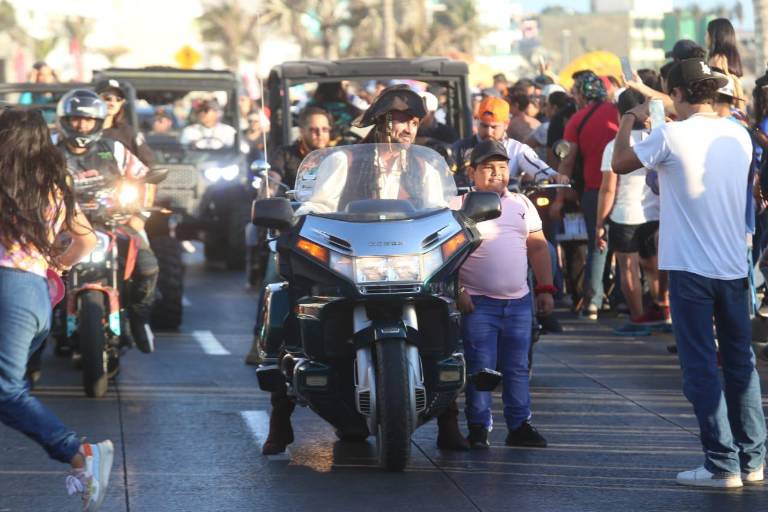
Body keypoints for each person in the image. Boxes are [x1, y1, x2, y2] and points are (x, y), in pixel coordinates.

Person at [261, 85, 471, 454]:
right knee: (293, 303)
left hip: (409, 260)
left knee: (448, 308)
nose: (407, 128)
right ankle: (280, 415)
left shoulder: (425, 163)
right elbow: (317, 206)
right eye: (400, 119)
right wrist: (294, 223)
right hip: (352, 257)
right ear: (380, 120)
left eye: (414, 120)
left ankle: (449, 419)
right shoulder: (343, 160)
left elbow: (442, 209)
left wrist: (463, 224)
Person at [612, 58, 766, 488]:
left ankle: (721, 464)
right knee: (741, 363)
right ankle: (752, 460)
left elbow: (620, 162)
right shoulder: (736, 134)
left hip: (689, 269)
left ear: (676, 93)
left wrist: (628, 117)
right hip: (734, 266)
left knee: (700, 366)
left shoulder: (670, 135)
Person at [0, 108, 113, 510]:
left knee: (5, 390)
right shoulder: (52, 186)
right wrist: (56, 268)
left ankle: (79, 454)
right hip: (35, 295)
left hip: (9, 291)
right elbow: (86, 240)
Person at [457, 138, 554, 449]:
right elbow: (445, 255)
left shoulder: (521, 204)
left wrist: (545, 288)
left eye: (502, 167)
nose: (497, 173)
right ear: (471, 172)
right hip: (477, 302)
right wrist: (457, 290)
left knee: (516, 367)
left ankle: (519, 424)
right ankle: (478, 428)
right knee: (480, 368)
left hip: (519, 301)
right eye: (489, 168)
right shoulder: (456, 207)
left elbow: (538, 249)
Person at [56, 89, 159, 354]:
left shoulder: (113, 148)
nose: (82, 125)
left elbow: (143, 177)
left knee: (148, 265)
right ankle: (34, 341)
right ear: (65, 120)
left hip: (114, 221)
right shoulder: (49, 147)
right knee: (35, 274)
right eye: (77, 119)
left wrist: (139, 215)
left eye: (88, 120)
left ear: (98, 122)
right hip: (60, 226)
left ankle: (139, 320)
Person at [596, 90, 664, 336]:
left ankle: (637, 318)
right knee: (654, 266)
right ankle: (660, 310)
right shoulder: (657, 138)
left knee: (628, 269)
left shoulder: (614, 146)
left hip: (625, 215)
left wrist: (599, 223)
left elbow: (607, 189)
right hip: (655, 214)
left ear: (620, 112)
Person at [556, 71, 619, 319]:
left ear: (582, 94)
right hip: (628, 190)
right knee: (627, 249)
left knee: (598, 245)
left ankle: (592, 302)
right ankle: (622, 297)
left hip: (595, 189)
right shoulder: (619, 114)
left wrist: (560, 193)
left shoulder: (576, 120)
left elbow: (568, 161)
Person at [453, 96, 568, 188]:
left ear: (506, 124)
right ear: (477, 122)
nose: (488, 131)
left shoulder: (517, 150)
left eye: (494, 127)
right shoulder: (460, 148)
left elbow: (536, 165)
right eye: (484, 125)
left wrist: (554, 176)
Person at [95, 79, 156, 167]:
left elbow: (148, 164)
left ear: (122, 103)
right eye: (107, 98)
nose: (112, 103)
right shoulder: (81, 129)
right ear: (94, 99)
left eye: (118, 99)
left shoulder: (128, 133)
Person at [707, 18, 745, 112]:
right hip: (734, 109)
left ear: (715, 37)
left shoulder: (717, 60)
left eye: (707, 33)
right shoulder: (733, 58)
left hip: (719, 110)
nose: (706, 37)